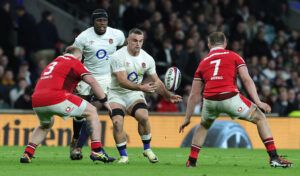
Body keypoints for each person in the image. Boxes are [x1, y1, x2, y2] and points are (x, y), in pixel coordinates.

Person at [179, 32, 293, 168]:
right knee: (260, 118)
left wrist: (187, 117)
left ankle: (191, 161)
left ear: (209, 44)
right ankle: (274, 157)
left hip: (209, 101)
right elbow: (246, 79)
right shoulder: (234, 56)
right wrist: (258, 102)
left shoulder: (203, 63)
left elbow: (194, 94)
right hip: (230, 98)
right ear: (225, 43)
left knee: (204, 125)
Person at [20, 46, 115, 164]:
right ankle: (97, 150)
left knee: (45, 125)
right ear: (79, 57)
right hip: (56, 97)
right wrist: (104, 101)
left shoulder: (54, 63)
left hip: (37, 100)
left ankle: (27, 153)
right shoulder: (75, 62)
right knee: (92, 112)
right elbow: (92, 81)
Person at [109, 28, 182, 164]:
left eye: (141, 41)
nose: (138, 44)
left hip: (134, 94)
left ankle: (147, 149)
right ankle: (124, 156)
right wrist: (141, 87)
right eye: (135, 41)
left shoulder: (147, 58)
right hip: (116, 94)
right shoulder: (118, 56)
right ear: (127, 41)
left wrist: (168, 95)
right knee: (117, 123)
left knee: (143, 117)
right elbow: (122, 81)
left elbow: (157, 81)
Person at [70, 8, 125, 160]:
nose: (102, 23)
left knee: (109, 109)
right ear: (93, 21)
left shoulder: (117, 35)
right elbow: (74, 56)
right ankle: (76, 142)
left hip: (107, 77)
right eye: (99, 20)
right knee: (81, 112)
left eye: (104, 20)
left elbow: (123, 50)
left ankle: (119, 151)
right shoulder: (83, 37)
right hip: (87, 76)